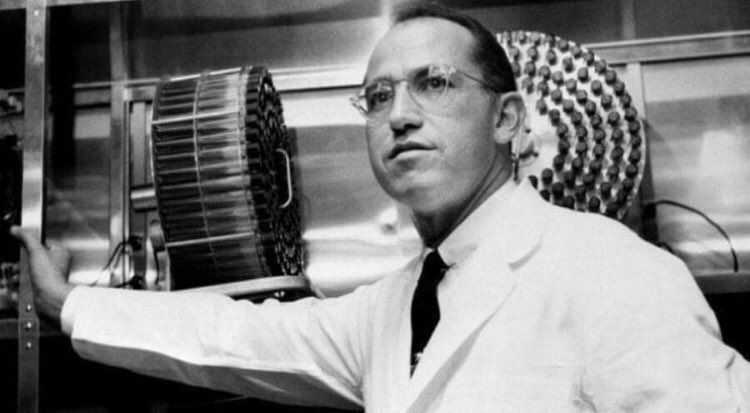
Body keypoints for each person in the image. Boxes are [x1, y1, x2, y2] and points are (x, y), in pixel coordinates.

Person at [10, 2, 750, 412]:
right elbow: (236, 338)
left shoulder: (611, 270)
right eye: (378, 95)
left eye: (435, 83)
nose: (398, 115)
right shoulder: (391, 309)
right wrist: (70, 304)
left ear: (508, 120)